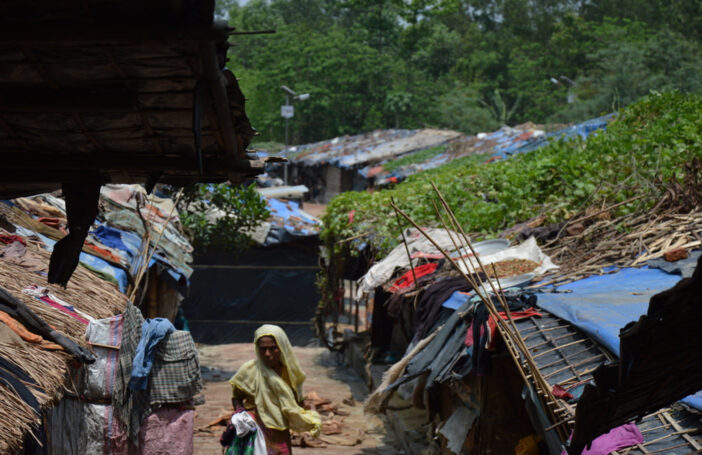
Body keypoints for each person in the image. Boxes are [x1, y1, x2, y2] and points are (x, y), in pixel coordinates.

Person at [229, 325, 321, 455]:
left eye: (273, 348)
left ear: (282, 347)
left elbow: (295, 402)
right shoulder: (249, 370)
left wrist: (308, 412)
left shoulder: (290, 373)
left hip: (280, 432)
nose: (267, 354)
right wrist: (240, 413)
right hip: (255, 430)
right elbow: (236, 397)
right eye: (263, 349)